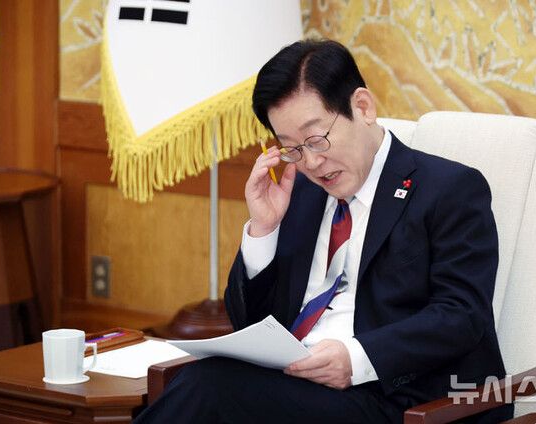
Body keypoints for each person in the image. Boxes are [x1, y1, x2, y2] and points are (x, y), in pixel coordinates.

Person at [135, 39, 513, 423]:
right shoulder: (299, 192)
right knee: (206, 381)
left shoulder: (448, 189)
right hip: (297, 385)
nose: (312, 163)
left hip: (397, 401)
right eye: (293, 149)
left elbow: (462, 315)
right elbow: (248, 323)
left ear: (362, 107)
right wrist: (264, 229)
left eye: (316, 139)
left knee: (208, 388)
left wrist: (355, 358)